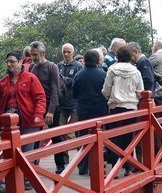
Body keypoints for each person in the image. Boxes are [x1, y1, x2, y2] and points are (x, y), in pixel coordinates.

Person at [0, 50, 46, 193]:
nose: (9, 64)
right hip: (10, 121)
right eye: (8, 61)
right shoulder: (3, 82)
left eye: (12, 61)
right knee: (8, 152)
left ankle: (27, 180)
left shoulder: (30, 78)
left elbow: (40, 97)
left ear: (21, 62)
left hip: (29, 120)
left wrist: (38, 114)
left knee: (26, 153)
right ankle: (5, 183)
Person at [102, 45, 143, 176]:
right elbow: (140, 92)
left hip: (116, 107)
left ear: (117, 56)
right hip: (131, 108)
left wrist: (110, 97)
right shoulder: (136, 71)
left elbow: (106, 90)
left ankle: (115, 169)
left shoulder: (112, 70)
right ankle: (128, 167)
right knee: (129, 139)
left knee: (114, 139)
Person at [72, 49, 108, 175]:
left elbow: (75, 94)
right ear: (97, 60)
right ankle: (97, 167)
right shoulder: (103, 74)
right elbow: (106, 93)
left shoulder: (79, 74)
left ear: (85, 60)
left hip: (84, 111)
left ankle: (83, 166)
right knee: (99, 138)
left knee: (83, 138)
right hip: (100, 110)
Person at [29, 40, 61, 171]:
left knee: (55, 135)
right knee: (35, 136)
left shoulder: (51, 67)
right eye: (32, 54)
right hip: (37, 106)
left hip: (51, 105)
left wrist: (51, 111)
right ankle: (34, 164)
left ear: (43, 53)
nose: (34, 57)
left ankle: (60, 164)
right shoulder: (32, 67)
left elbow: (55, 89)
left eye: (36, 54)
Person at [55, 43, 83, 173]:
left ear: (73, 52)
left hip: (75, 103)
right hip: (61, 103)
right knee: (60, 131)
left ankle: (80, 158)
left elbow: (76, 83)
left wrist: (64, 79)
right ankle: (63, 159)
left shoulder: (78, 66)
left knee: (77, 131)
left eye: (68, 52)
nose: (66, 54)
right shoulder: (58, 66)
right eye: (64, 52)